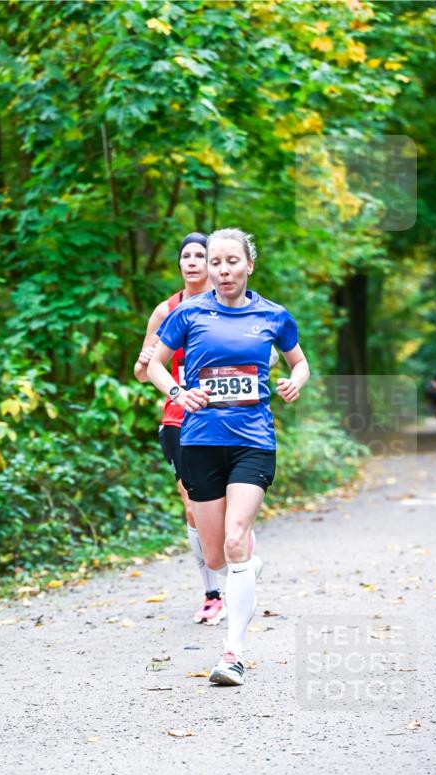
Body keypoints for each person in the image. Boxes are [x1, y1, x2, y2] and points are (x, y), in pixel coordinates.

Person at [147, 227, 310, 686]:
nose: (222, 270)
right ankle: (243, 570)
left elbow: (299, 360)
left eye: (231, 261)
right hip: (199, 440)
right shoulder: (187, 313)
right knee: (217, 556)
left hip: (253, 439)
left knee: (238, 539)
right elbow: (156, 364)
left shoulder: (273, 315)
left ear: (248, 265)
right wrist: (179, 392)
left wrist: (297, 379)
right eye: (215, 262)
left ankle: (233, 654)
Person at [134, 233, 226, 624]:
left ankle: (236, 559)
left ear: (211, 263)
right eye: (185, 256)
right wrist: (143, 361)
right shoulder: (165, 310)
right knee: (191, 503)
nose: (191, 262)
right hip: (178, 416)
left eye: (199, 256)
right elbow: (142, 373)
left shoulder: (228, 304)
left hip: (224, 414)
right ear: (179, 264)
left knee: (224, 503)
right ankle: (213, 592)